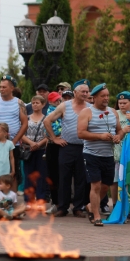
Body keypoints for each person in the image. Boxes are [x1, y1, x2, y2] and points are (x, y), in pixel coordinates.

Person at [78, 83, 125, 226]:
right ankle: (96, 215)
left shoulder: (113, 112)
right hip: (91, 154)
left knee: (106, 186)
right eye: (103, 96)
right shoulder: (86, 112)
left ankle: (91, 206)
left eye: (107, 95)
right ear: (95, 97)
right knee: (96, 185)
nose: (106, 98)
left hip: (108, 155)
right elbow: (80, 133)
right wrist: (100, 136)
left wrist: (119, 137)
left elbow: (120, 130)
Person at [44, 80, 91, 217]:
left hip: (84, 147)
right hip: (67, 147)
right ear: (75, 92)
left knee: (81, 178)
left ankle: (78, 208)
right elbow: (47, 121)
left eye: (87, 91)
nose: (85, 94)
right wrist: (54, 138)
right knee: (63, 177)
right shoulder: (64, 106)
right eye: (82, 91)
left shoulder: (90, 107)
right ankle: (62, 207)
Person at [0, 75, 28, 190]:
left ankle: (11, 203)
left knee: (13, 173)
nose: (1, 89)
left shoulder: (19, 103)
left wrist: (14, 141)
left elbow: (24, 124)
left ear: (12, 88)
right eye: (0, 87)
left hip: (13, 145)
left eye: (4, 87)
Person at [20, 95, 49, 209]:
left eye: (37, 103)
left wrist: (39, 144)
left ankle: (40, 199)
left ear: (43, 104)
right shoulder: (26, 118)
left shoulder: (46, 118)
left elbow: (49, 135)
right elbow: (21, 134)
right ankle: (29, 200)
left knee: (41, 175)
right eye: (33, 103)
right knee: (28, 175)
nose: (35, 105)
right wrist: (31, 143)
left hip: (41, 150)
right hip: (29, 150)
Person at [45, 91, 63, 209]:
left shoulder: (61, 109)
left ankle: (60, 202)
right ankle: (56, 202)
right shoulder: (51, 111)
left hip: (62, 145)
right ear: (50, 101)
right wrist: (55, 137)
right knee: (54, 175)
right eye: (56, 100)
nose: (58, 101)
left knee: (61, 175)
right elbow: (55, 129)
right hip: (54, 144)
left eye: (59, 99)